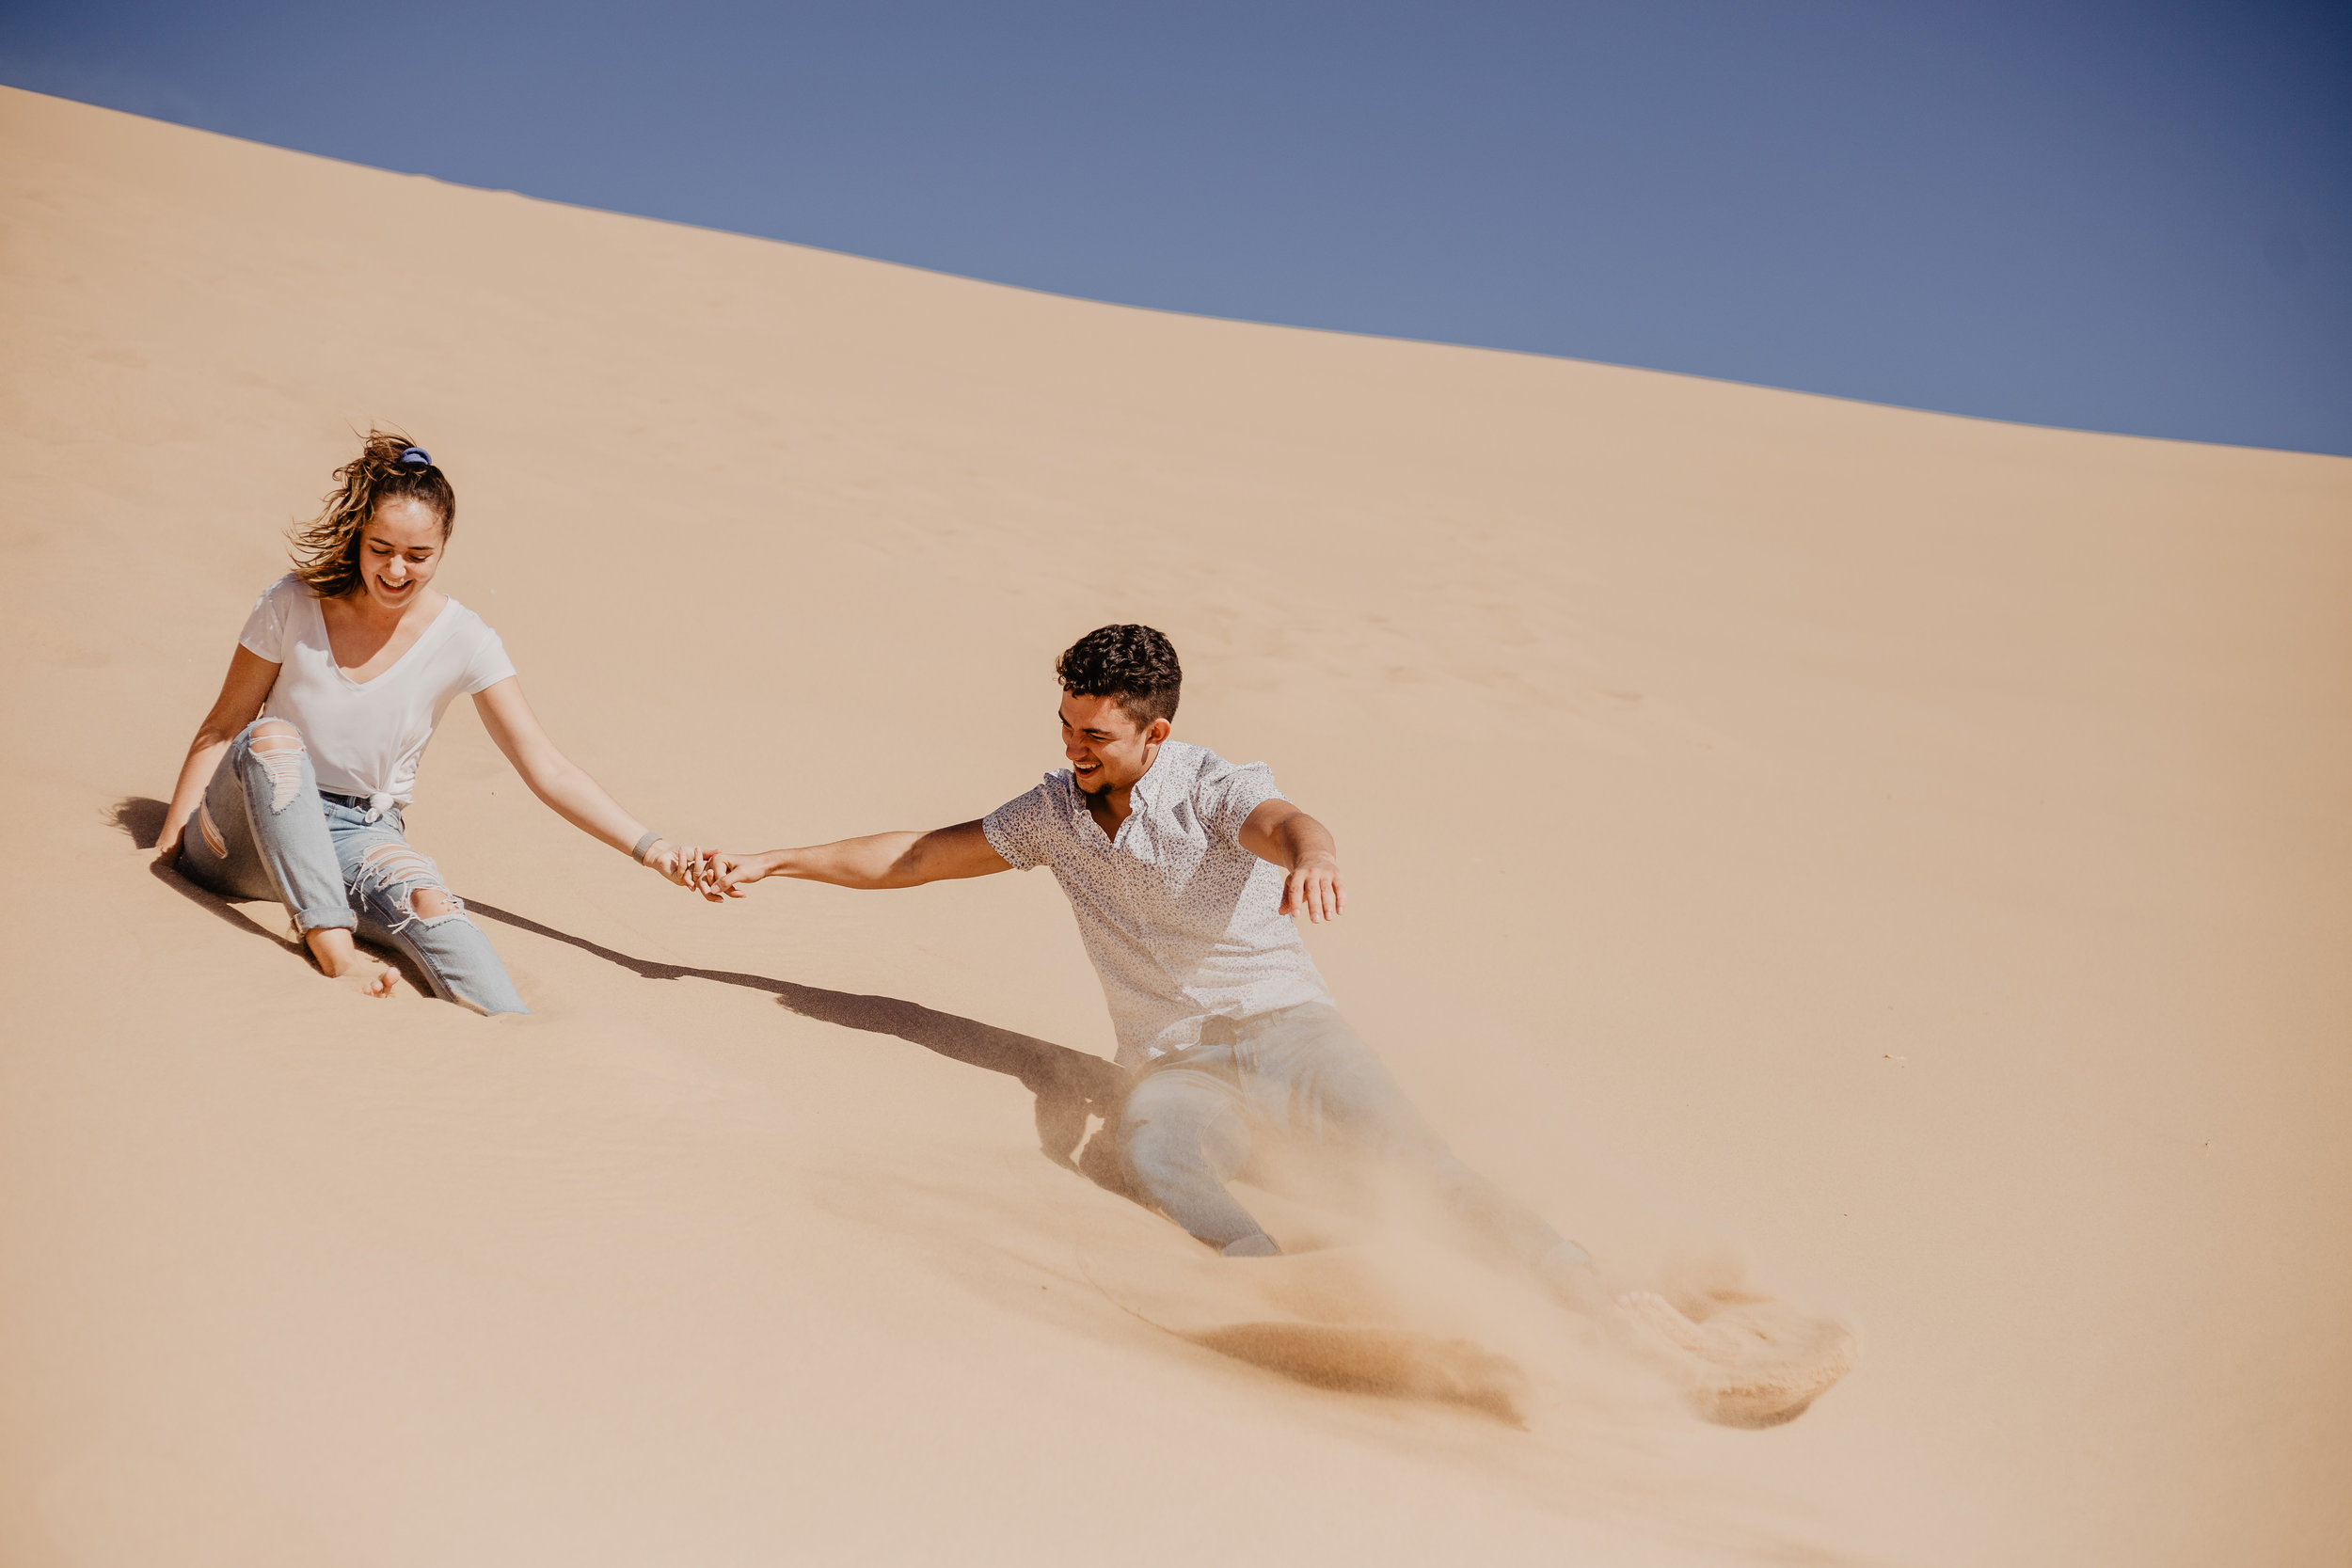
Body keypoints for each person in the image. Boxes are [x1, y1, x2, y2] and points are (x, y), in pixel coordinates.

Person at [690, 623, 1602, 1302]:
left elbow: (1284, 822)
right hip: (1173, 1059)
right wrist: (778, 858)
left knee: (1420, 1166)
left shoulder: (1208, 785)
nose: (1071, 748)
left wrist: (1314, 856)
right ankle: (1282, 1297)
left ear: (1154, 734)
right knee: (1157, 1151)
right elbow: (918, 855)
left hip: (1293, 1032)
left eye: (1094, 736)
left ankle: (1593, 1295)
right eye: (1065, 726)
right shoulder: (1052, 811)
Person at [155, 431, 701, 1012]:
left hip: (360, 832)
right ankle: (335, 953)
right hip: (246, 830)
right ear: (359, 538)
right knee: (273, 741)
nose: (395, 570)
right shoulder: (293, 603)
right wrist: (169, 851)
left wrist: (653, 850)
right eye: (380, 548)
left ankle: (515, 1033)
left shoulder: (466, 639)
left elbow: (547, 767)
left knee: (432, 903)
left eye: (418, 556)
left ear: (443, 549)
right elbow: (223, 728)